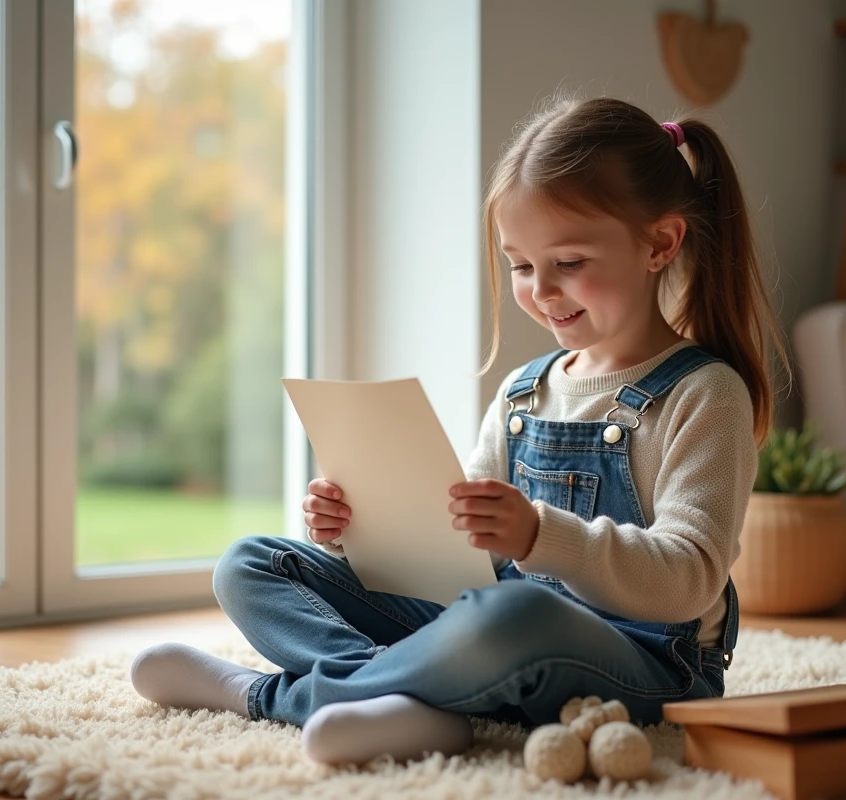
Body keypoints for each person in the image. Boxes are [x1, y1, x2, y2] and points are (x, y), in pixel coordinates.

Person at [129, 95, 786, 766]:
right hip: (491, 628)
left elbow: (689, 580)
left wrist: (538, 536)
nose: (542, 291)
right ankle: (413, 701)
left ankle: (266, 696)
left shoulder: (705, 394)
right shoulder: (525, 389)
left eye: (569, 262)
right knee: (250, 564)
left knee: (510, 618)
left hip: (647, 661)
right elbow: (455, 552)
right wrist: (357, 526)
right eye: (522, 267)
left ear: (660, 244)